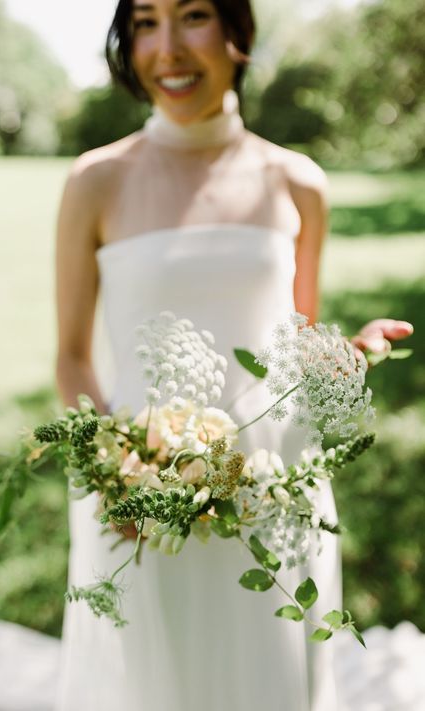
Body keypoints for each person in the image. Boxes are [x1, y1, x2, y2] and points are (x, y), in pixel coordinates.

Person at [54, 1, 413, 709]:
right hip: (141, 497)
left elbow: (295, 350)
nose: (166, 50)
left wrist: (347, 358)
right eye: (146, 22)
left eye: (191, 15)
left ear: (236, 33)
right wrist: (110, 475)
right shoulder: (95, 181)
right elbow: (70, 356)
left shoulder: (298, 183)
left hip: (274, 491)